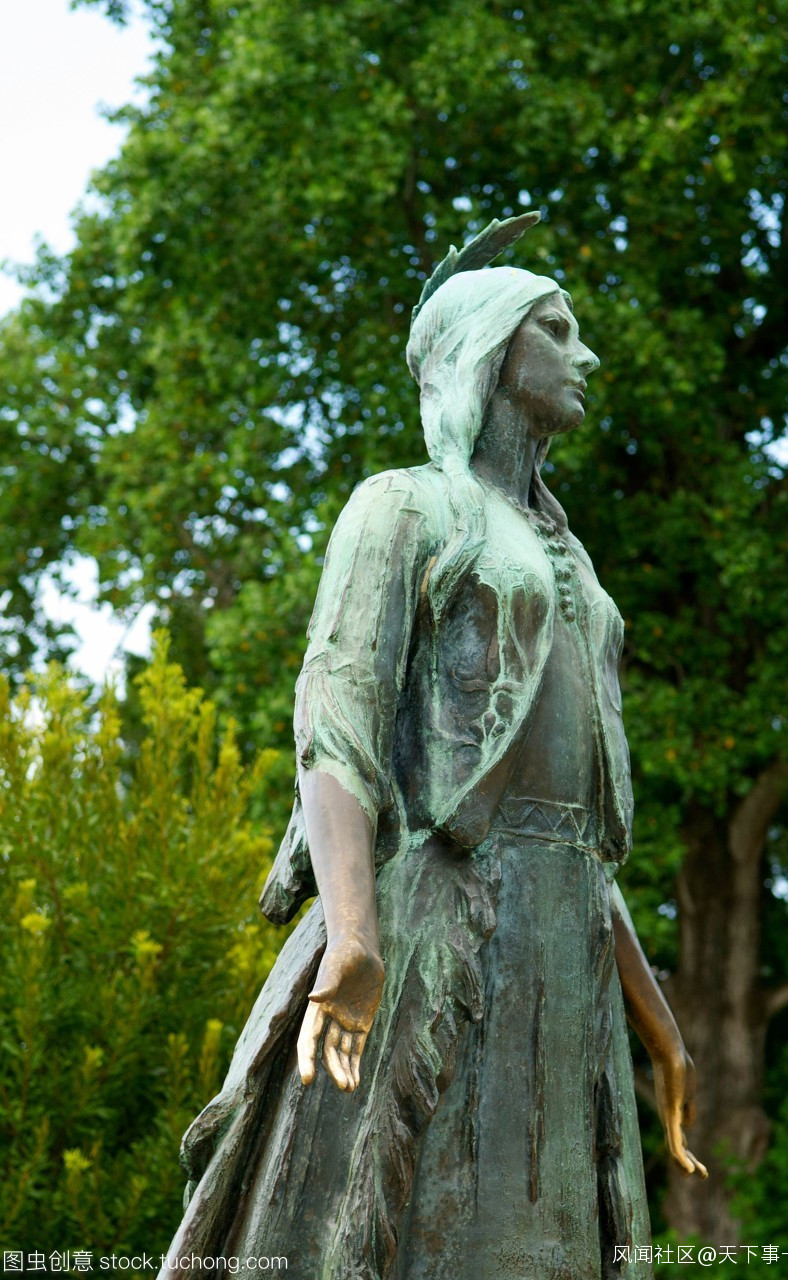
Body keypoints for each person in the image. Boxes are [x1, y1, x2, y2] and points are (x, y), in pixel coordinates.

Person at [159, 215, 705, 1280]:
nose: (586, 355)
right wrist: (354, 935)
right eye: (556, 329)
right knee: (381, 1225)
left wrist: (660, 1027)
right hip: (434, 928)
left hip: (564, 956)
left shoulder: (574, 561)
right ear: (486, 349)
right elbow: (337, 723)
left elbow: (582, 829)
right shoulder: (401, 507)